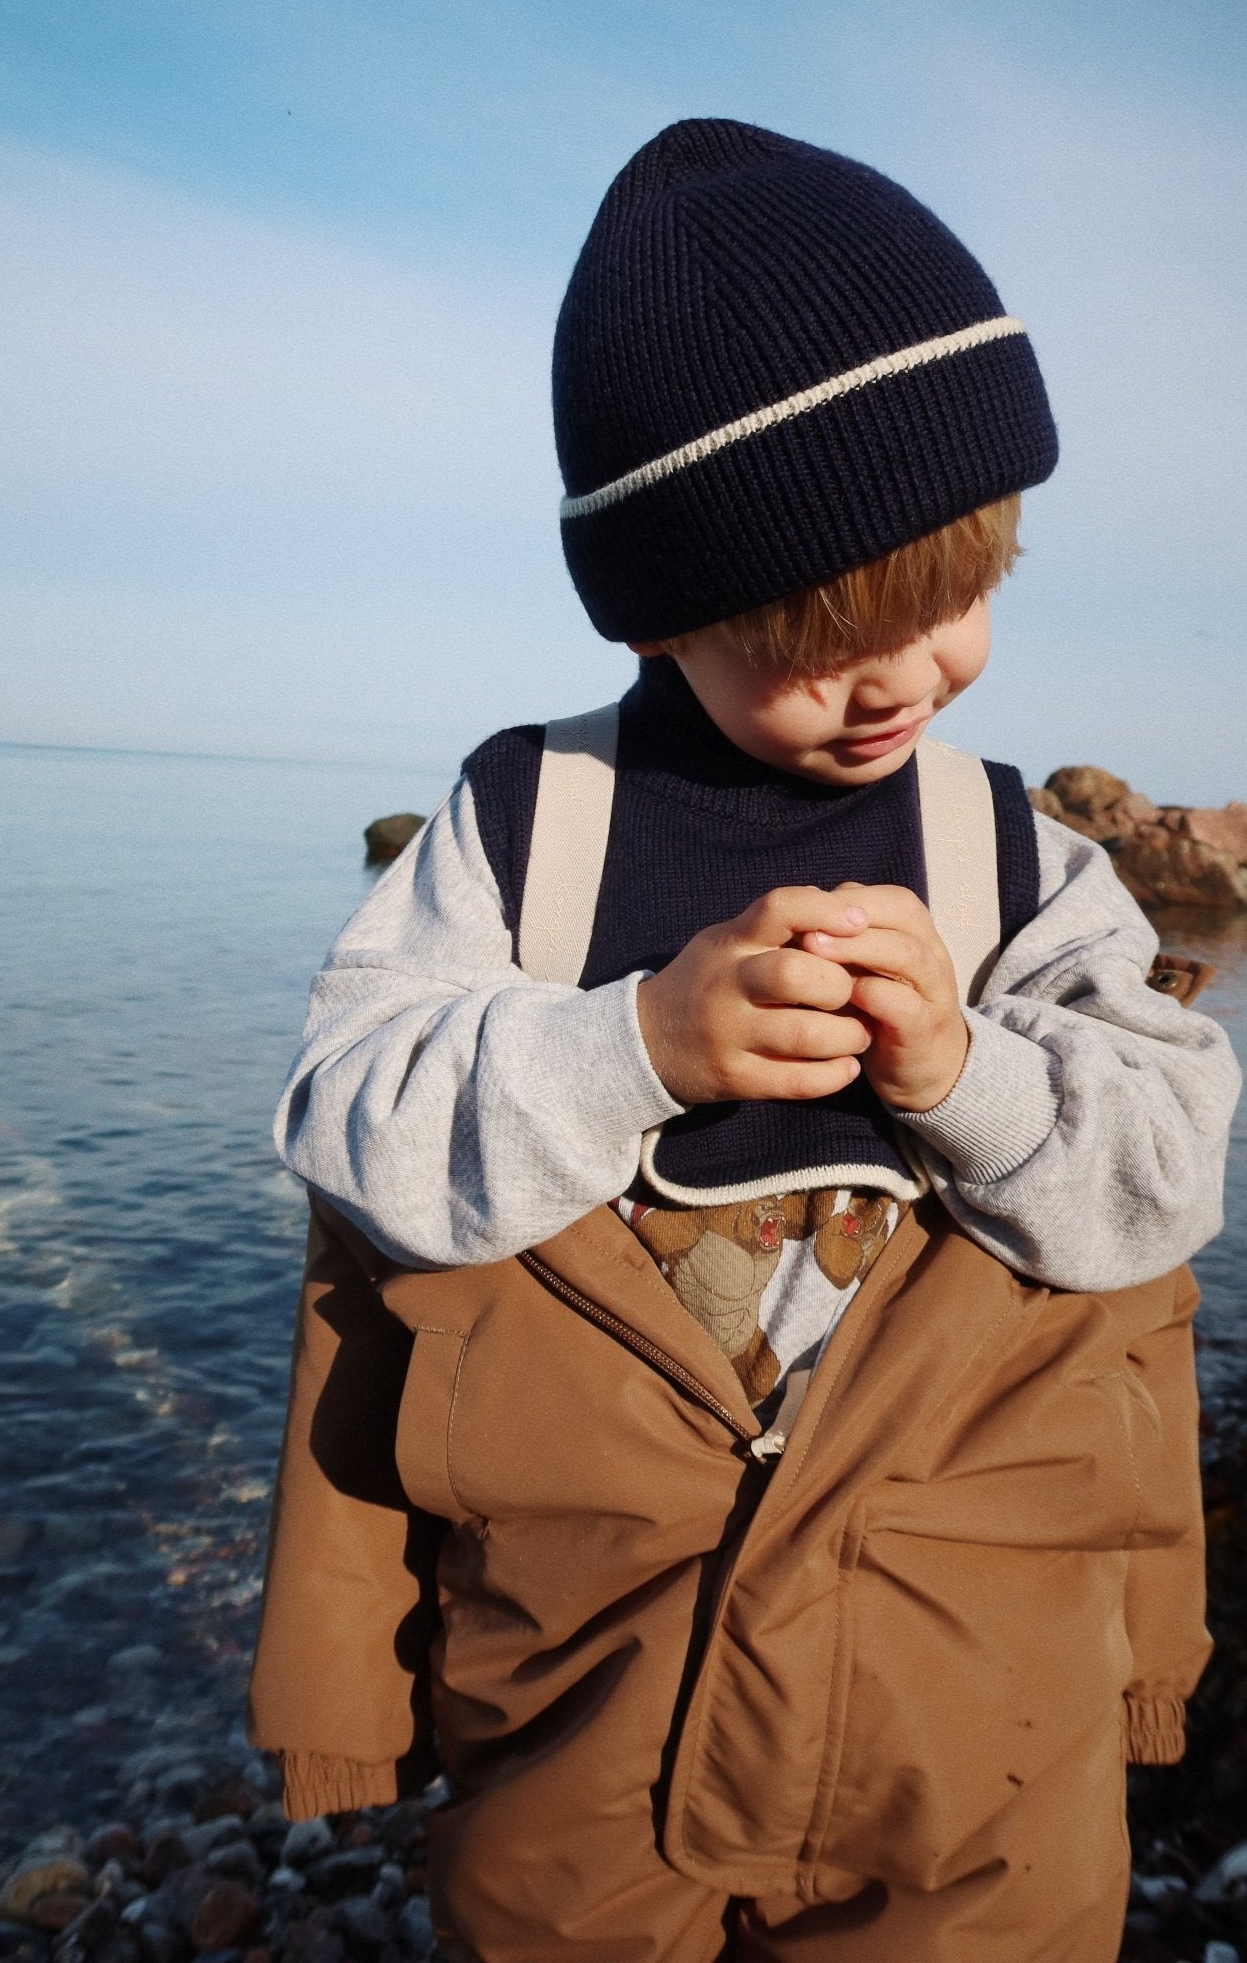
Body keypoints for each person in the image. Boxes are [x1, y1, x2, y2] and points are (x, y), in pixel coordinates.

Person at [249, 121, 1240, 1961]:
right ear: (663, 606)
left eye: (959, 597)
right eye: (815, 631)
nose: (900, 675)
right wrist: (632, 1042)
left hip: (975, 1709)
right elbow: (347, 1118)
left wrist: (971, 1074)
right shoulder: (523, 831)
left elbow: (1163, 1173)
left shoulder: (1022, 865)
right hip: (580, 1687)